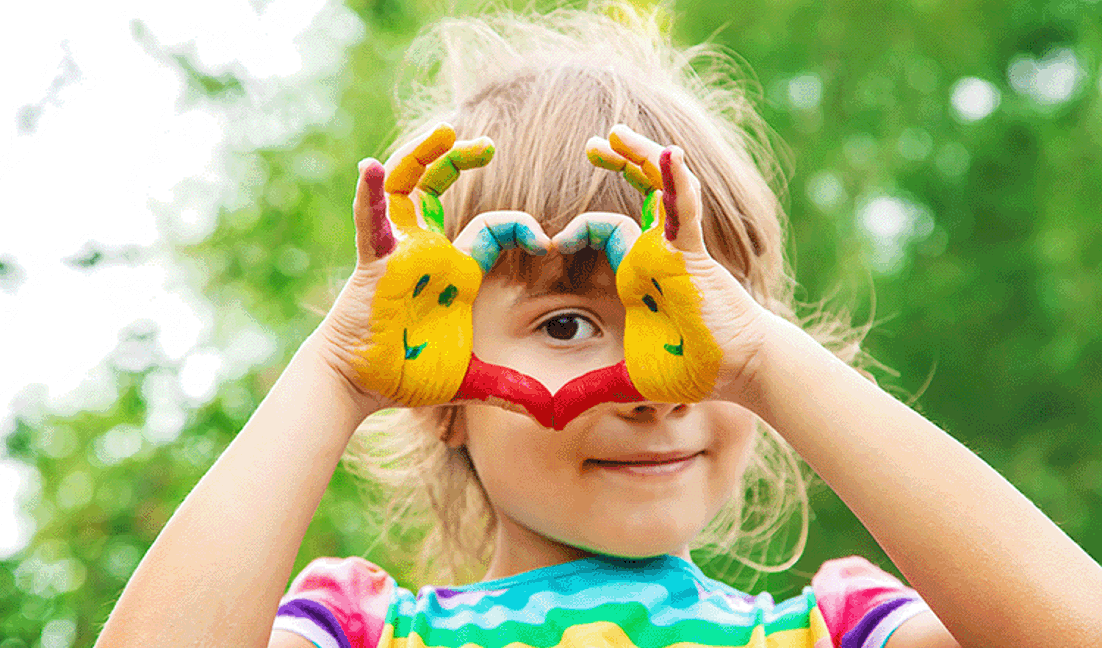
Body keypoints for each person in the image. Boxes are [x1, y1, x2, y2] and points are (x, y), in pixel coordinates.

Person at [94, 4, 1102, 648]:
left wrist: (759, 356)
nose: (654, 383)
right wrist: (335, 376)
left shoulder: (833, 633)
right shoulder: (361, 635)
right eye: (569, 323)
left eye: (693, 315)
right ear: (440, 388)